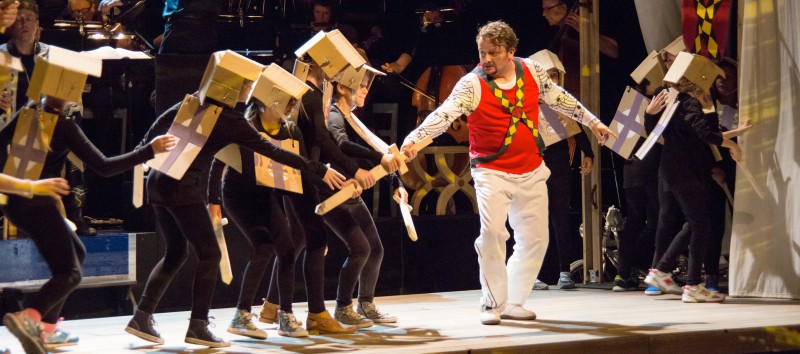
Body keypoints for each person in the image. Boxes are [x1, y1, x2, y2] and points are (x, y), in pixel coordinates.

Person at [124, 51, 345, 347]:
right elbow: (275, 152)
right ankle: (198, 326)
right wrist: (318, 168)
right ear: (231, 87)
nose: (248, 91)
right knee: (210, 255)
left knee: (176, 252)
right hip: (182, 189)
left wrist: (144, 157)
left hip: (157, 184)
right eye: (245, 86)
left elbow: (152, 134)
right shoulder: (229, 119)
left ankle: (142, 316)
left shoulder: (191, 103)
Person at [401, 21, 614, 325]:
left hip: (530, 169)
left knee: (536, 238)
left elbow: (559, 97)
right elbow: (444, 116)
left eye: (493, 52)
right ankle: (491, 302)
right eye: (482, 52)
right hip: (490, 171)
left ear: (511, 51)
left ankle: (514, 301)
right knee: (491, 236)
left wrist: (594, 123)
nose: (486, 59)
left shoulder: (531, 71)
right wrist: (413, 141)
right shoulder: (471, 84)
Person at [0, 45, 175, 353]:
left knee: (76, 254)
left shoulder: (27, 112)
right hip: (36, 203)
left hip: (17, 202)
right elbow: (104, 167)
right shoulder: (63, 124)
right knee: (70, 272)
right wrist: (150, 150)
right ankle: (28, 316)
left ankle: (48, 328)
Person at [206, 64, 316, 339]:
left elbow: (297, 173)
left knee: (287, 249)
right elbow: (218, 162)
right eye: (289, 100)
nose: (293, 106)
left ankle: (285, 315)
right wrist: (213, 201)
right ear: (271, 99)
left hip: (267, 193)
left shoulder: (291, 132)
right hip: (239, 193)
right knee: (265, 247)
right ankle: (242, 315)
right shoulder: (245, 124)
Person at [258, 54, 357, 335]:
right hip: (303, 175)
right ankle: (316, 314)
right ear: (321, 64)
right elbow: (323, 139)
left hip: (301, 173)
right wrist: (351, 168)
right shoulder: (310, 95)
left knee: (300, 237)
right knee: (315, 239)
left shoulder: (302, 94)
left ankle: (270, 306)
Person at [643, 52, 742, 303]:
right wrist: (732, 141)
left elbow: (701, 129)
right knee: (700, 223)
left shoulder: (677, 100)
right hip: (684, 170)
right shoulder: (687, 102)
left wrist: (708, 109)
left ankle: (662, 270)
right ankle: (691, 284)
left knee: (694, 222)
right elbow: (705, 134)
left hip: (677, 169)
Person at [325, 64, 403, 327]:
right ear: (341, 87)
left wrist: (397, 183)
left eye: (367, 85)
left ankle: (366, 304)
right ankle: (343, 307)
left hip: (351, 194)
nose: (365, 90)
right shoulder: (334, 115)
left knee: (375, 249)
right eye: (360, 85)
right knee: (360, 249)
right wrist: (379, 158)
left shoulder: (354, 119)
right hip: (333, 192)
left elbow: (379, 149)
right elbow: (342, 144)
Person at [530, 49, 593, 290]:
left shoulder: (561, 101)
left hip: (559, 165)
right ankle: (531, 274)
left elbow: (576, 125)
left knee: (560, 218)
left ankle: (565, 271)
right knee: (533, 221)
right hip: (533, 165)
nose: (552, 79)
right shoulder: (524, 102)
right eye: (548, 74)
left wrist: (588, 152)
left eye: (555, 74)